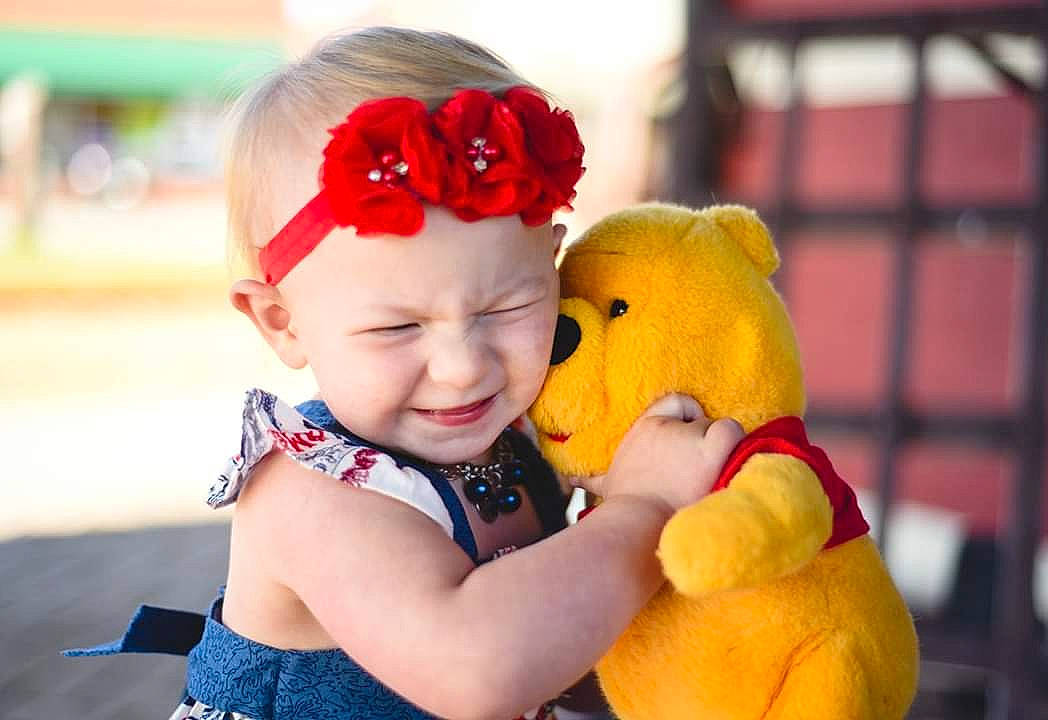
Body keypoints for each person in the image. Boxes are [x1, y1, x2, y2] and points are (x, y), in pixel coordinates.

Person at [65, 27, 744, 720]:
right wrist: (646, 509)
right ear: (282, 321)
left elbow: (560, 649)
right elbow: (480, 672)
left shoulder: (516, 445)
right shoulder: (310, 492)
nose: (461, 368)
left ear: (551, 264)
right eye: (397, 327)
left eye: (508, 306)